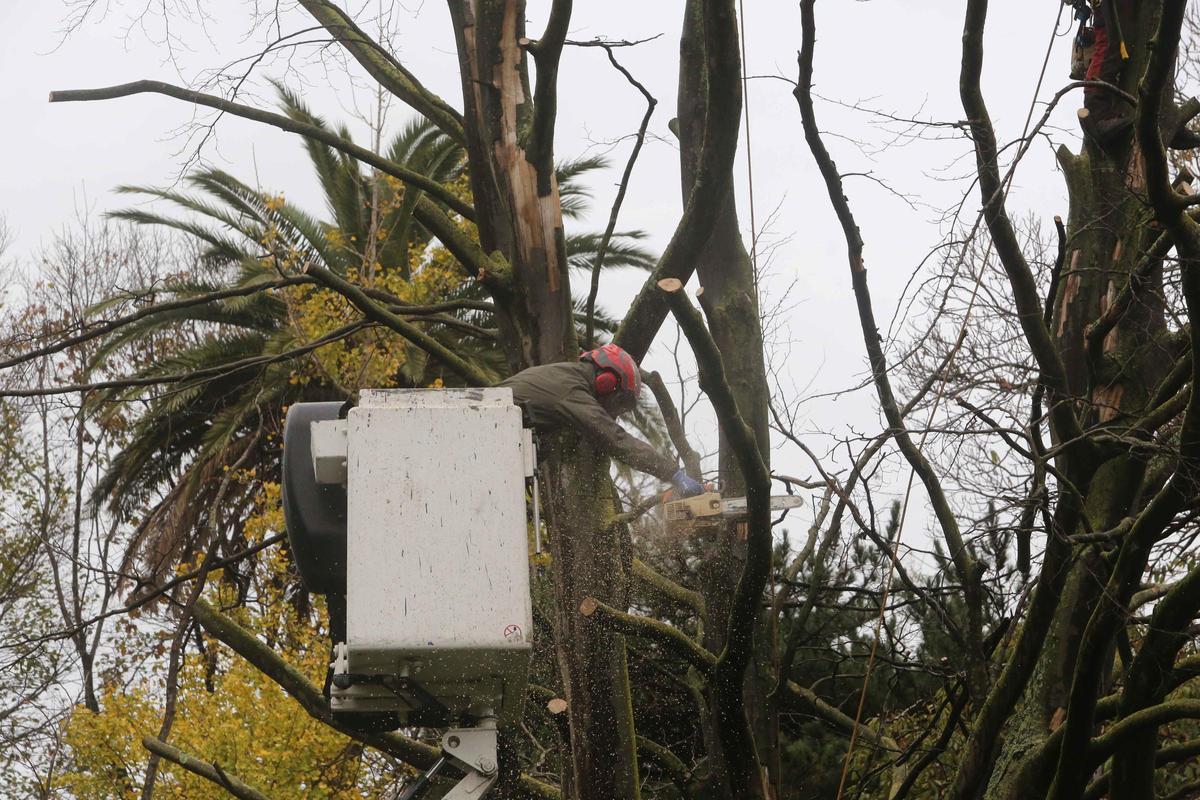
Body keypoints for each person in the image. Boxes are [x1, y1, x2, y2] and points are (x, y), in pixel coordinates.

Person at [499, 344, 705, 497]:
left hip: (491, 434)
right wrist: (673, 474)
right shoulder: (571, 391)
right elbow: (616, 439)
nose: (615, 412)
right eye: (619, 402)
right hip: (486, 429)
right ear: (606, 382)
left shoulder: (564, 377)